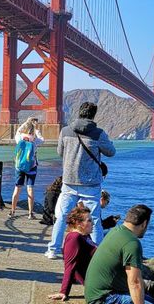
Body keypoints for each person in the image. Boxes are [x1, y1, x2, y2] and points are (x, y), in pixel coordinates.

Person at [49, 203, 154, 304]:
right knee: (150, 286)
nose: (93, 223)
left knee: (153, 285)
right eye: (89, 221)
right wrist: (64, 291)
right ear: (79, 224)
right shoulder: (74, 238)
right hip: (105, 283)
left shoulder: (84, 236)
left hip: (114, 274)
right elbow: (69, 266)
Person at [45, 101, 115, 259]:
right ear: (93, 115)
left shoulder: (65, 131)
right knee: (95, 219)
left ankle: (53, 250)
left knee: (61, 217)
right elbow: (111, 152)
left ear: (80, 112)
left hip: (69, 181)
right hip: (90, 183)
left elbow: (60, 152)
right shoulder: (98, 133)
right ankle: (98, 255)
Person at [10, 118, 44, 219]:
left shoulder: (19, 138)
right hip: (32, 167)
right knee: (30, 189)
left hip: (19, 167)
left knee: (17, 189)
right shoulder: (34, 141)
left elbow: (18, 131)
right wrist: (37, 130)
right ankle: (30, 214)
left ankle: (12, 211)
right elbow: (42, 139)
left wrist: (26, 122)